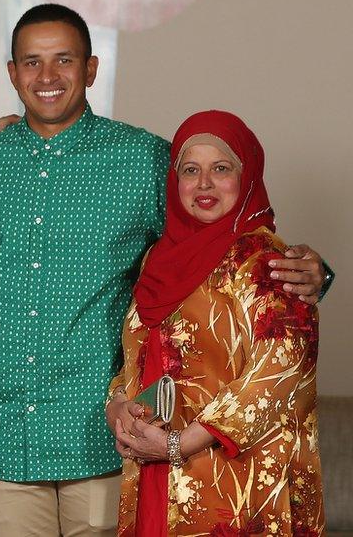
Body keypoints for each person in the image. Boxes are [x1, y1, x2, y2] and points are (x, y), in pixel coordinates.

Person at [0, 3, 330, 536]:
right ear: (12, 73)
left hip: (108, 436)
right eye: (31, 62)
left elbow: (220, 242)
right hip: (6, 433)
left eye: (64, 60)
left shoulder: (143, 159)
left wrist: (314, 271)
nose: (47, 76)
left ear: (92, 69)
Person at [105, 110, 324, 535]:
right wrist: (118, 405)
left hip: (234, 481)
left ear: (247, 178)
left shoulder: (272, 264)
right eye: (191, 170)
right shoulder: (157, 260)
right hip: (156, 473)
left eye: (220, 168)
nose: (203, 183)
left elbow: (281, 370)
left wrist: (181, 442)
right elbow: (140, 353)